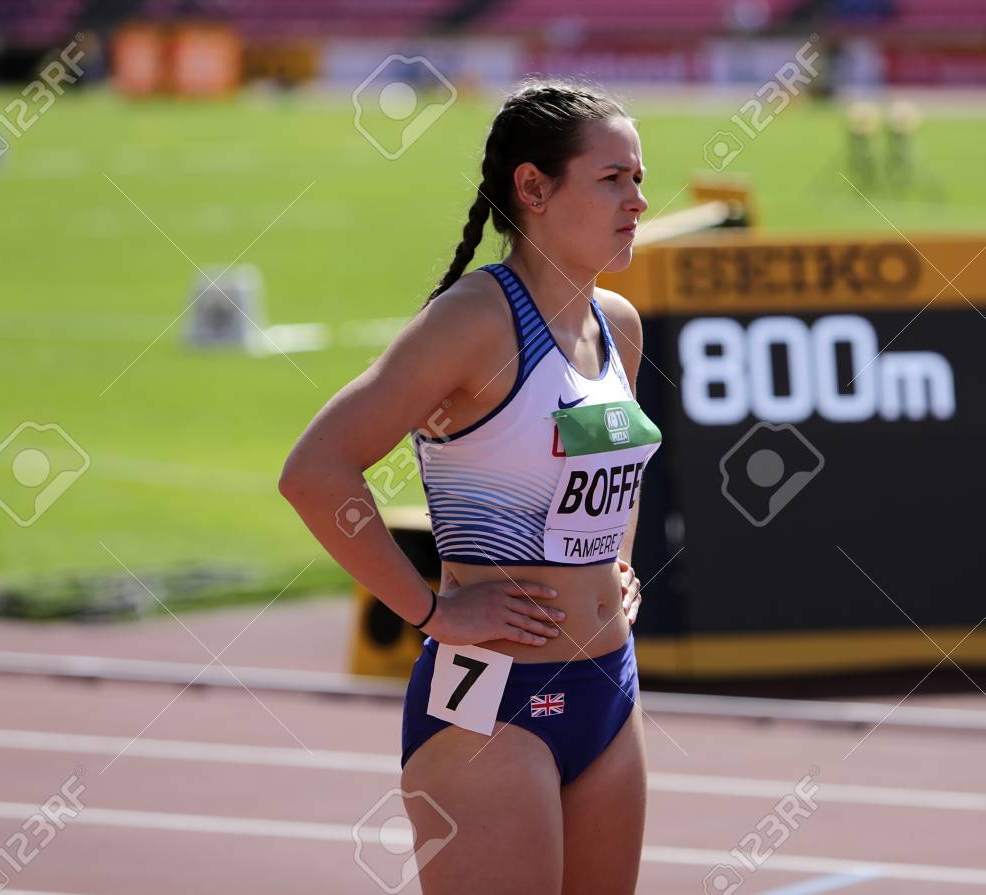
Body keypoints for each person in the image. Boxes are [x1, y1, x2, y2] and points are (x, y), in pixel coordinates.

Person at [278, 78, 658, 894]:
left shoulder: (617, 325)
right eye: (613, 178)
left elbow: (603, 468)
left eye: (639, 178)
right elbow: (314, 470)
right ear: (533, 187)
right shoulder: (474, 321)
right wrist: (429, 610)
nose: (639, 199)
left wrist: (615, 563)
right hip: (492, 701)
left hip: (608, 685)